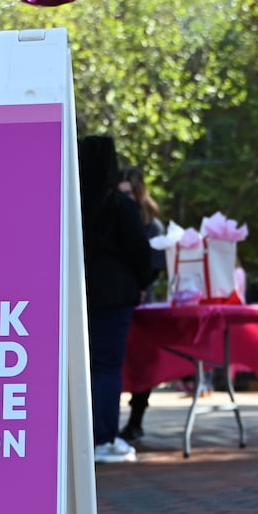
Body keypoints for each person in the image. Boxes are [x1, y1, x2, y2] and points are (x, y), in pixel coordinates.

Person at [80, 136, 154, 464]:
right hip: (114, 295)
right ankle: (103, 437)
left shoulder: (70, 201)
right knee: (107, 367)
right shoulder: (120, 207)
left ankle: (79, 435)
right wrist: (143, 282)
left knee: (79, 367)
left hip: (79, 294)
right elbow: (140, 252)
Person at [118, 166, 165, 444]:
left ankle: (136, 420)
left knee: (142, 362)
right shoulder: (111, 218)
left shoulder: (151, 224)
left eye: (130, 193)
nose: (125, 198)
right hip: (116, 300)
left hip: (141, 304)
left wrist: (141, 286)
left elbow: (155, 265)